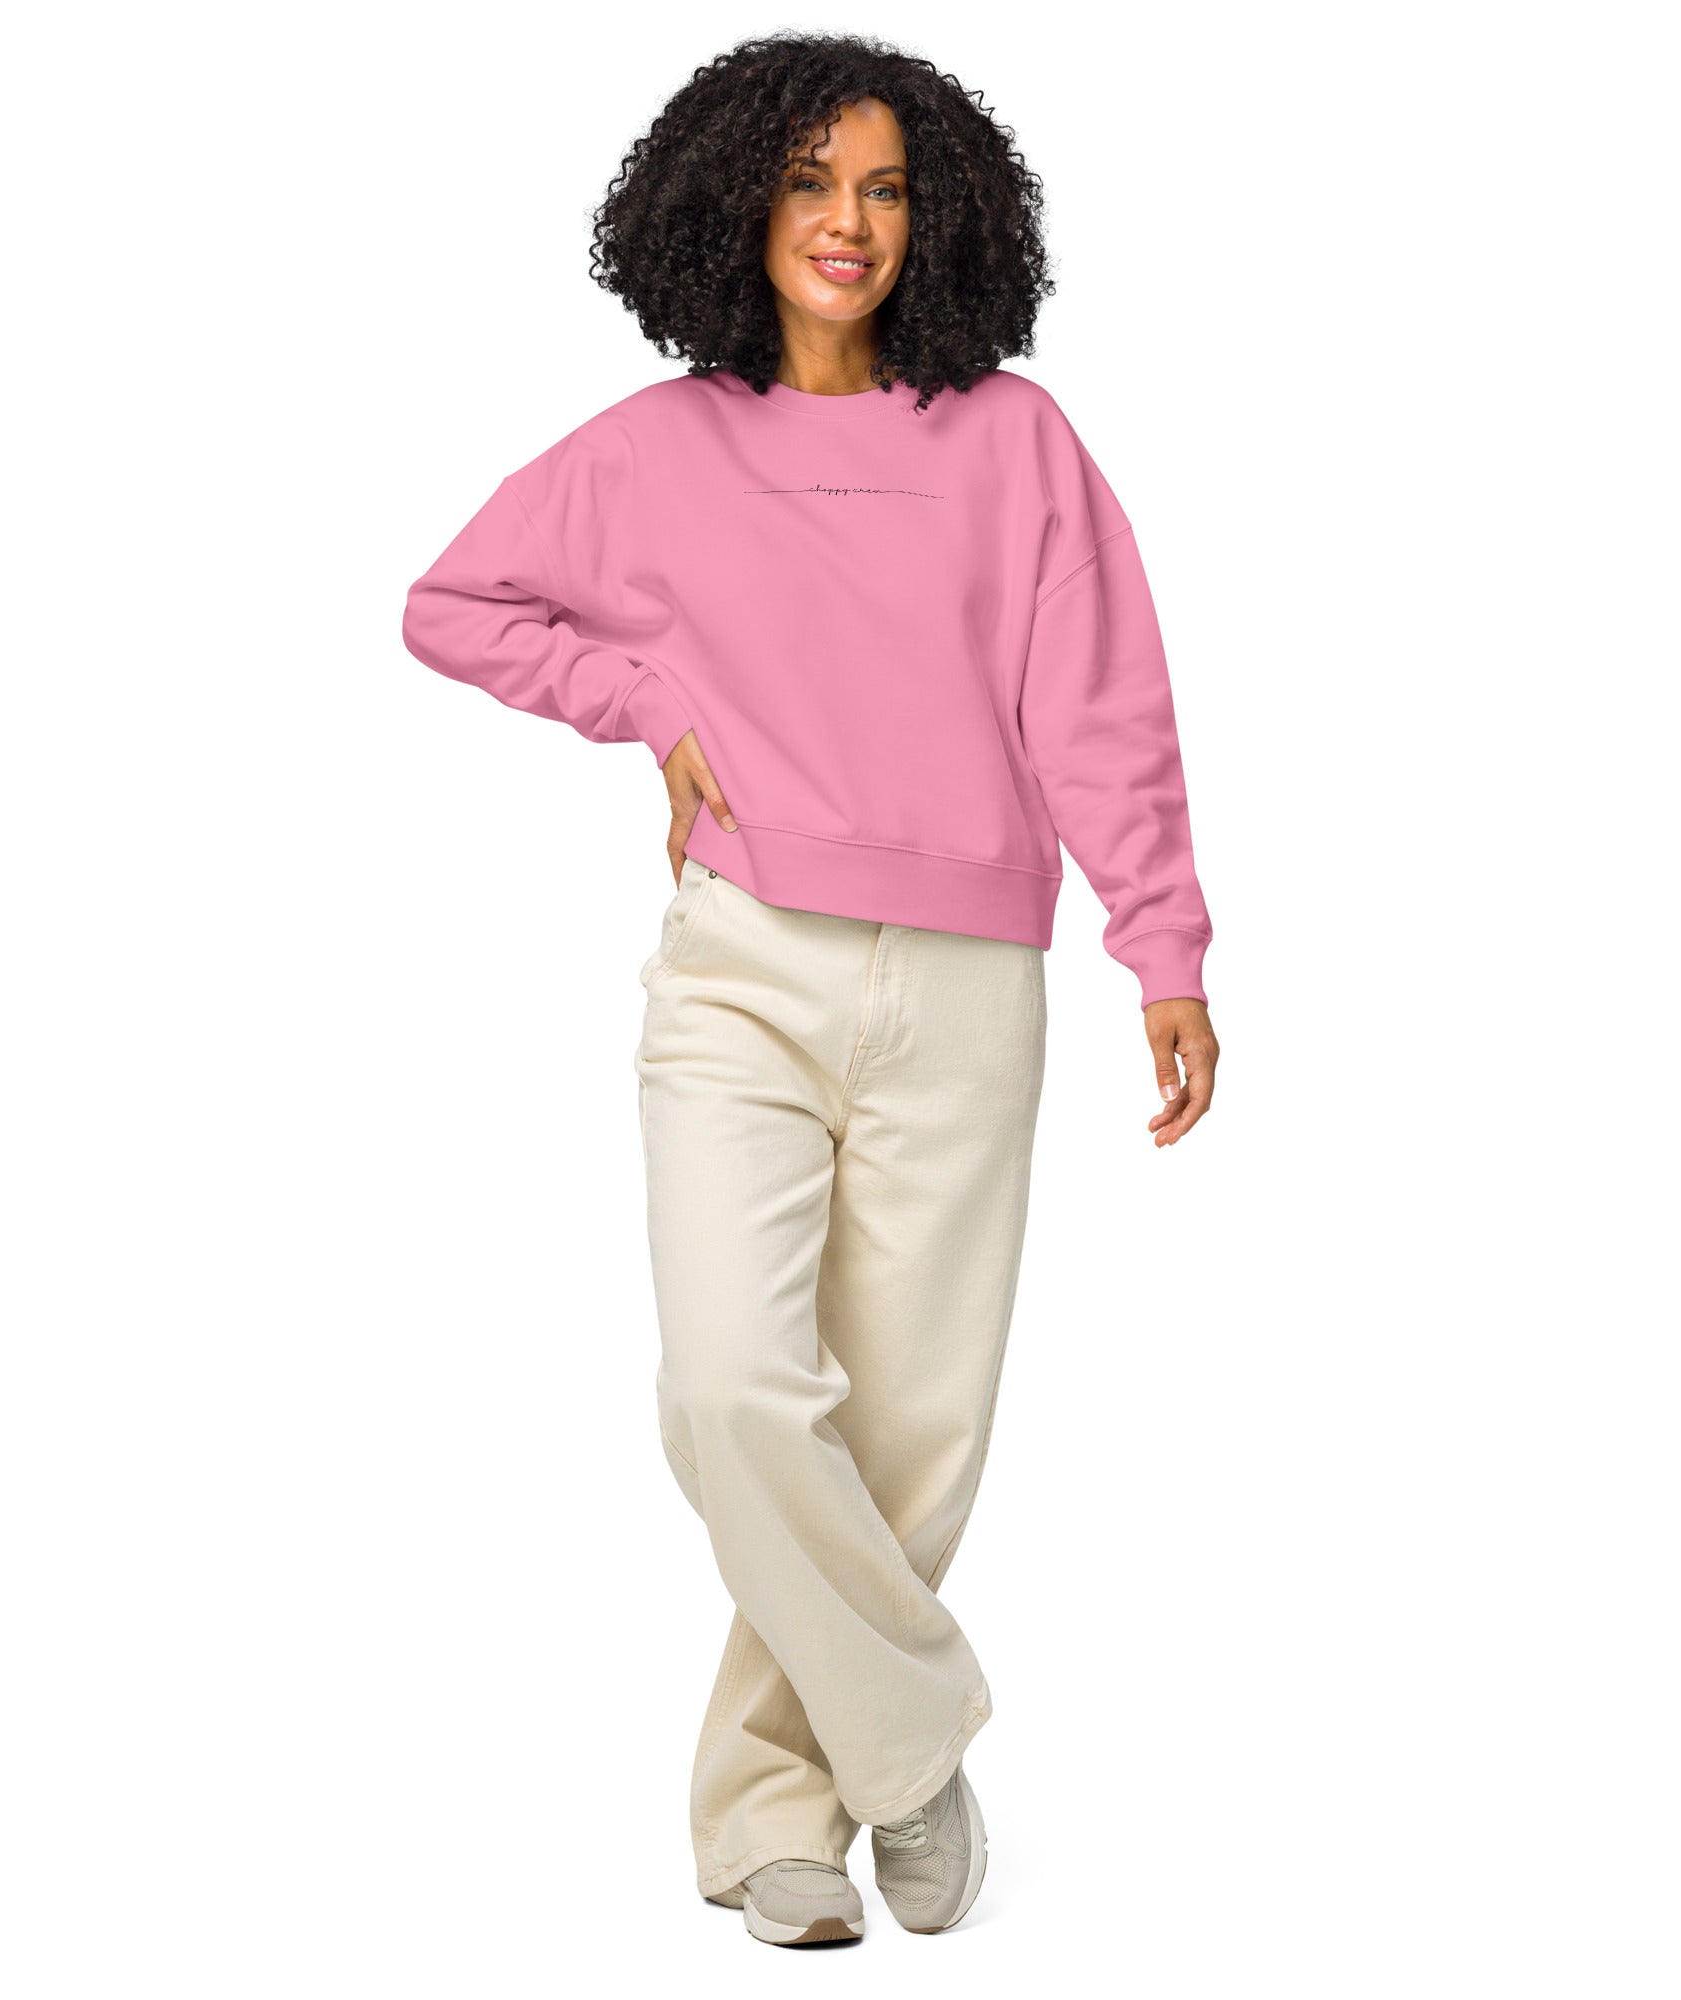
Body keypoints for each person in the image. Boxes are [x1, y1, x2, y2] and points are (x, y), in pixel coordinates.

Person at [400, 31, 1218, 1949]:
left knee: (914, 1424)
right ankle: (913, 1749)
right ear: (735, 205)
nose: (848, 222)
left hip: (974, 975)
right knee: (734, 1388)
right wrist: (641, 698)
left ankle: (778, 1816)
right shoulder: (652, 451)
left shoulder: (1016, 444)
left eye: (884, 188)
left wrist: (1163, 945)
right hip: (744, 967)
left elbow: (1102, 711)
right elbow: (449, 605)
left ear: (939, 217)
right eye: (807, 182)